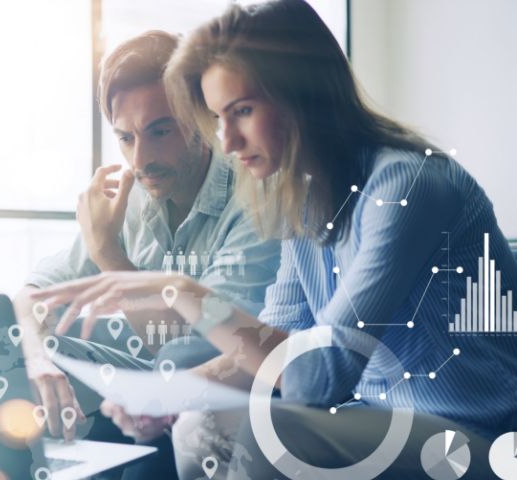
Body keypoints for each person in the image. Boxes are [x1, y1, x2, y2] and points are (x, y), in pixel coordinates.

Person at [30, 1, 517, 479]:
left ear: (302, 95)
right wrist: (170, 397)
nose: (227, 142)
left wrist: (180, 289)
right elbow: (267, 349)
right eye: (219, 118)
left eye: (241, 111)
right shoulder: (303, 202)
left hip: (472, 431)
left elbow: (316, 379)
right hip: (378, 416)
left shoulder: (406, 187)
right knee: (198, 426)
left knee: (273, 431)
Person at [11, 30, 281, 479]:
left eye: (160, 131)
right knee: (24, 348)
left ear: (200, 116)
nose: (142, 159)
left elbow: (200, 349)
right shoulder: (134, 195)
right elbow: (32, 294)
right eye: (126, 138)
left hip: (238, 382)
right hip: (156, 377)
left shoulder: (254, 195)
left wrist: (107, 253)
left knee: (177, 362)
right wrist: (38, 361)